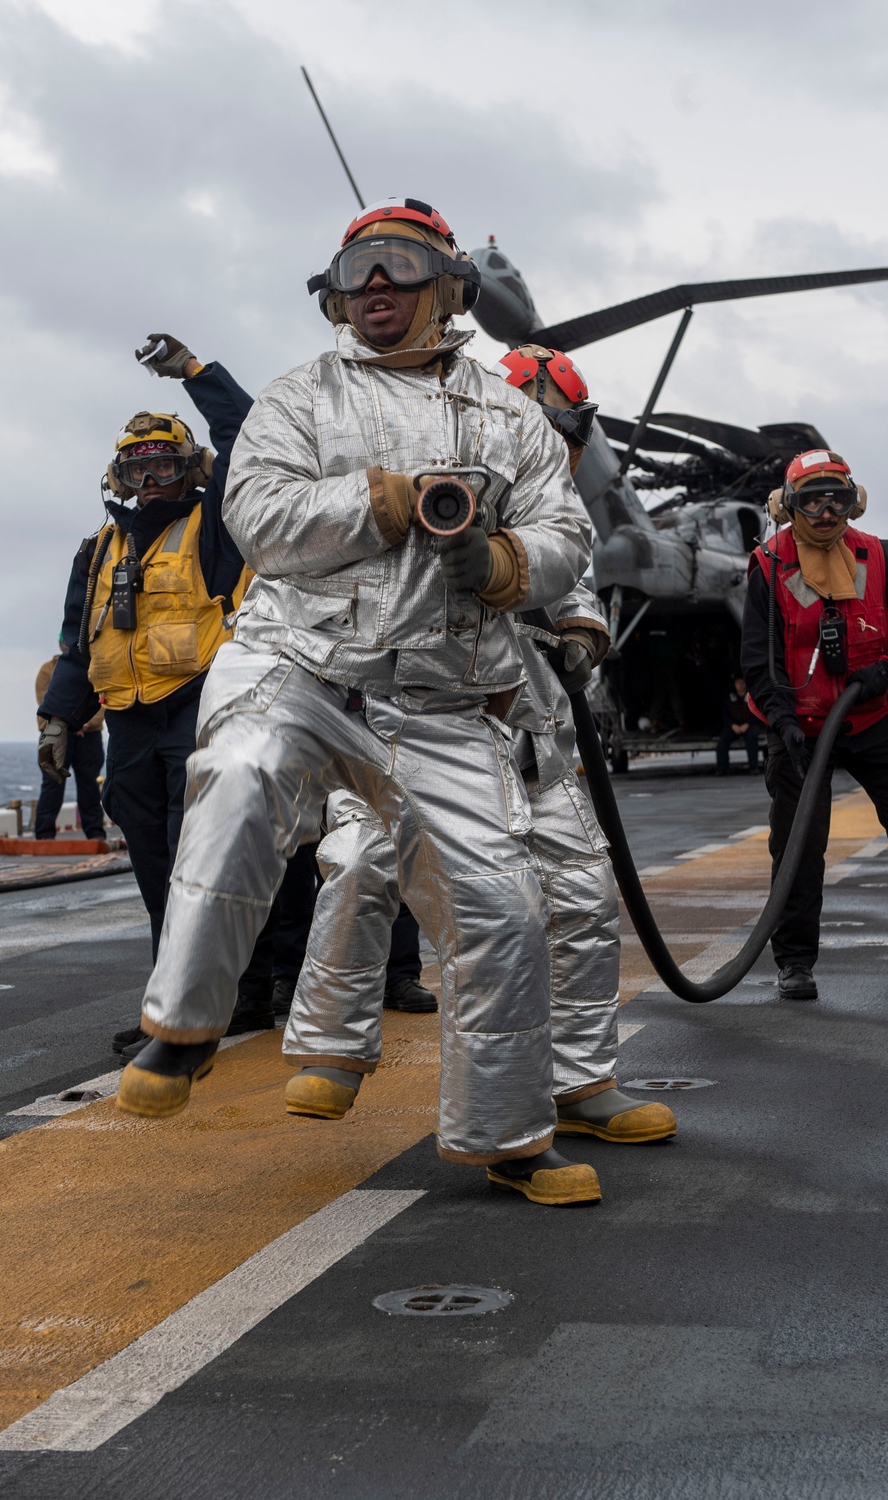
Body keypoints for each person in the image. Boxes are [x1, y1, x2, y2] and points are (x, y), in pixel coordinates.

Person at [116, 198, 603, 1207]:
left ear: (448, 288)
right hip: (302, 663)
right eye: (355, 273)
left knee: (504, 912)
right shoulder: (297, 400)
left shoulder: (510, 416)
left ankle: (508, 1135)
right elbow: (256, 519)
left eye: (398, 265)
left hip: (441, 696)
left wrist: (502, 560)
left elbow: (565, 537)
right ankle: (184, 1028)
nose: (375, 285)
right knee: (239, 776)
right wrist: (380, 501)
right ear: (336, 302)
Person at [282, 345, 678, 1153]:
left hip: (528, 728)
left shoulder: (550, 501)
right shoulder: (411, 482)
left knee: (581, 894)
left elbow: (569, 572)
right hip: (402, 720)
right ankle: (334, 1046)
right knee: (360, 861)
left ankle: (580, 1081)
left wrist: (580, 633)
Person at [36, 337, 256, 1036]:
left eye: (164, 462)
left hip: (197, 709)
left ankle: (219, 1000)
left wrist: (195, 374)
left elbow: (246, 436)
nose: (151, 476)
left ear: (189, 468)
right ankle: (178, 997)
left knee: (201, 866)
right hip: (128, 726)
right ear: (120, 477)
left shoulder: (217, 525)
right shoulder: (98, 548)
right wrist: (55, 720)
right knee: (158, 871)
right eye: (138, 467)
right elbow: (79, 642)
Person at [742, 447, 888, 1002]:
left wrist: (887, 670)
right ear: (788, 507)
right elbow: (758, 662)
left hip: (870, 717)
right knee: (798, 847)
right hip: (799, 730)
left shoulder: (883, 557)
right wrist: (781, 722)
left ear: (855, 503)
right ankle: (794, 963)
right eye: (812, 500)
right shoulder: (770, 566)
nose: (826, 512)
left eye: (837, 499)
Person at [34, 640, 105, 841]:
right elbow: (45, 700)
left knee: (90, 785)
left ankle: (95, 834)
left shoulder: (98, 664)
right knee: (51, 783)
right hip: (58, 733)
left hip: (88, 736)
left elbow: (104, 700)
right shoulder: (47, 670)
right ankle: (44, 836)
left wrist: (84, 724)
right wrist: (69, 722)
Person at [716, 674, 760, 775]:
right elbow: (725, 714)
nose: (740, 685)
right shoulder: (729, 697)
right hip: (733, 725)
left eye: (742, 683)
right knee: (723, 740)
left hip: (749, 725)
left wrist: (748, 724)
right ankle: (722, 768)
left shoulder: (752, 696)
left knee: (752, 737)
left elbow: (757, 713)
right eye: (738, 683)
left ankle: (753, 767)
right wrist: (732, 725)